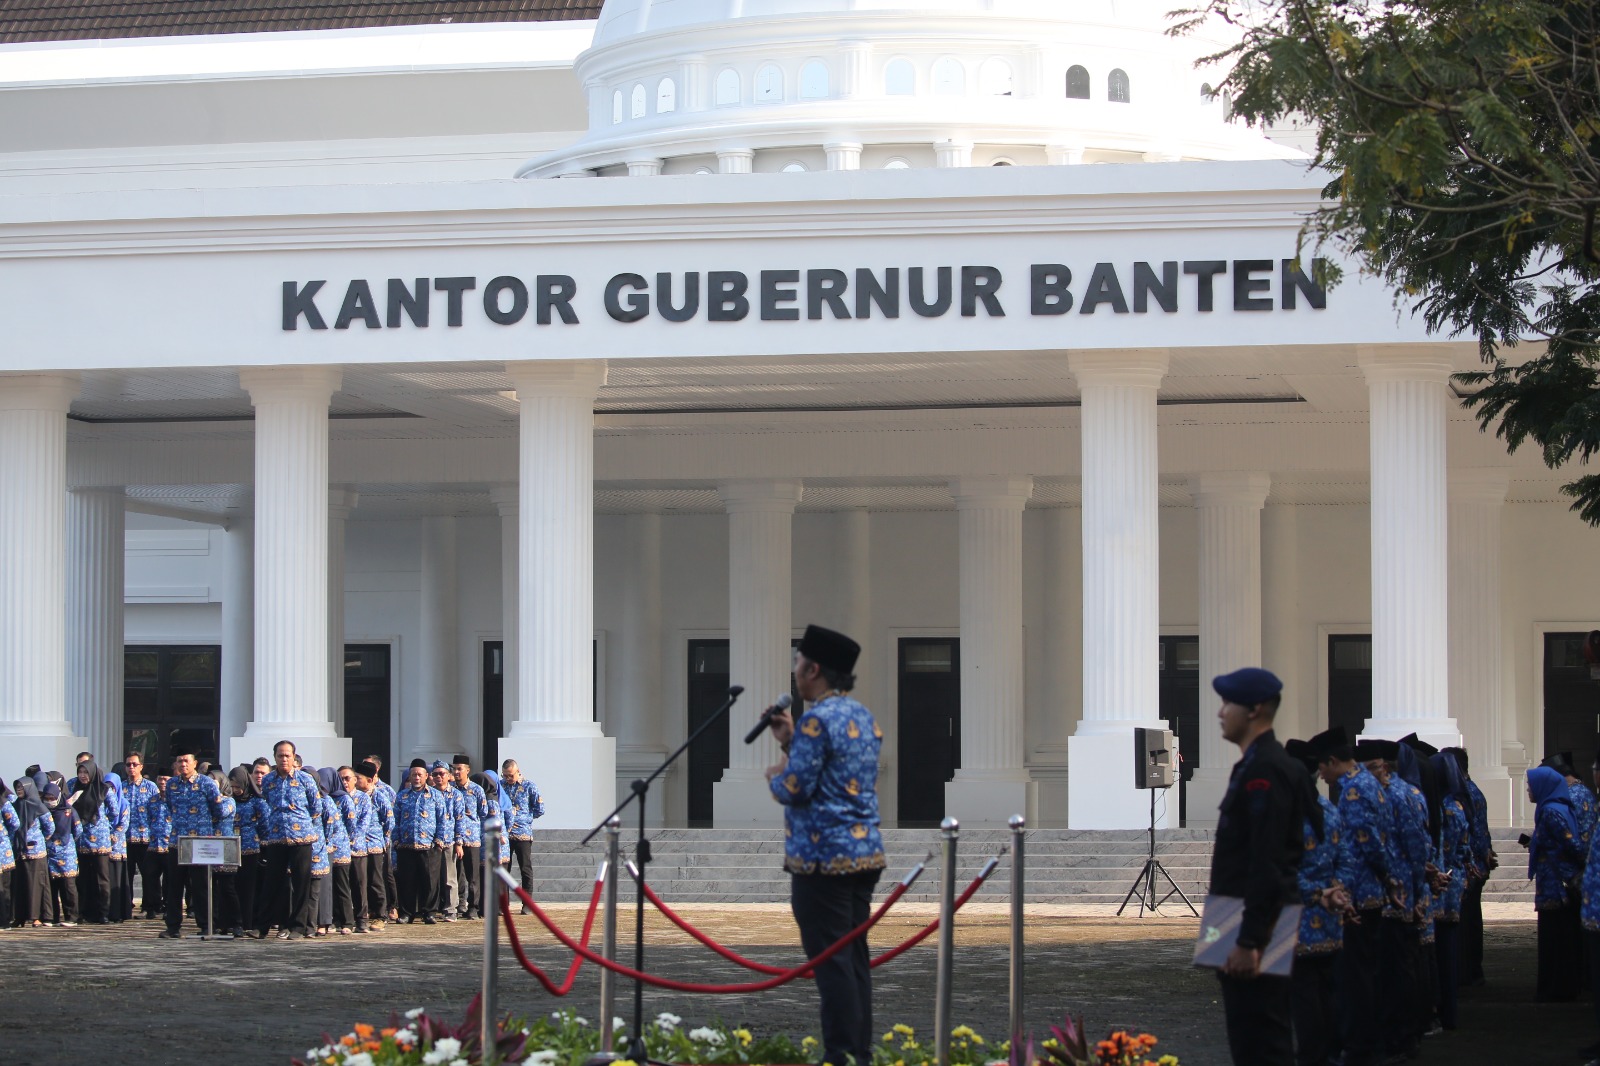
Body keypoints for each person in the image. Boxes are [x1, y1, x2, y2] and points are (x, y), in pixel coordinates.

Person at [764, 624, 884, 1066]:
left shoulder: (817, 719)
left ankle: (840, 1054)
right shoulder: (861, 715)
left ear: (813, 668)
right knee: (853, 961)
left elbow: (796, 787)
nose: (794, 670)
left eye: (798, 661)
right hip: (863, 852)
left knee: (830, 963)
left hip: (822, 859)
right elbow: (836, 774)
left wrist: (776, 775)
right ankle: (858, 1053)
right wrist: (792, 739)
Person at [1203, 667, 1306, 1066]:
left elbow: (1269, 859)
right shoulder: (1255, 765)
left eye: (1227, 703)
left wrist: (1249, 941)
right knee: (1249, 1035)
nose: (1220, 712)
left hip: (1255, 919)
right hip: (1238, 913)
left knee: (1261, 1039)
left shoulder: (1266, 769)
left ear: (1255, 709)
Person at [1284, 738, 1353, 1066]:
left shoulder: (1287, 812)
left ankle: (1312, 1055)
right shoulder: (1329, 809)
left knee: (1304, 996)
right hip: (1330, 914)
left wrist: (1317, 893)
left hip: (1299, 916)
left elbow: (1282, 869)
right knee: (1328, 989)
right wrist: (1339, 891)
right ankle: (1332, 1051)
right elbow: (1345, 856)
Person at [1528, 763, 1586, 1001]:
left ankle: (1557, 988)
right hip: (1552, 883)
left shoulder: (1552, 811)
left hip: (1555, 886)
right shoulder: (1552, 808)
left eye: (1531, 785)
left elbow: (1572, 845)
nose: (1529, 790)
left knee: (1557, 939)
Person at [158, 749, 227, 939]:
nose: (183, 765)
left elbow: (218, 810)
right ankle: (172, 927)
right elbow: (171, 807)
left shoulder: (206, 783)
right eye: (179, 761)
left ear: (195, 763)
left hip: (201, 842)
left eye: (186, 761)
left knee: (201, 886)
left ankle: (206, 926)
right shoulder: (172, 784)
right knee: (174, 886)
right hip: (177, 842)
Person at [257, 740, 322, 941]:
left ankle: (298, 927)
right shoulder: (268, 781)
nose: (284, 759)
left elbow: (316, 808)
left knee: (301, 884)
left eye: (287, 755)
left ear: (294, 758)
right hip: (277, 838)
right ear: (275, 758)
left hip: (301, 838)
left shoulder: (305, 779)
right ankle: (264, 926)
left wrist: (299, 823)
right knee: (272, 883)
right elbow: (267, 802)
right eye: (280, 755)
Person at [1444, 745, 1494, 987]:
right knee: (1471, 921)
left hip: (1468, 865)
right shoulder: (1474, 790)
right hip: (1476, 863)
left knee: (1466, 923)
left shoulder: (1462, 793)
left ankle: (1467, 970)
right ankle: (1472, 970)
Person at [1428, 751, 1472, 1031]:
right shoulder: (1456, 806)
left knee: (1441, 954)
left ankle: (1444, 1011)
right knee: (1448, 951)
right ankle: (1449, 1012)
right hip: (1454, 882)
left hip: (1441, 883)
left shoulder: (1443, 808)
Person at [393, 763, 447, 923]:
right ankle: (406, 913)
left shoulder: (435, 795)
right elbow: (394, 820)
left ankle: (429, 912)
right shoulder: (402, 796)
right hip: (406, 845)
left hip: (429, 845)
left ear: (426, 776)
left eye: (419, 775)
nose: (416, 778)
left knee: (430, 881)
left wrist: (439, 840)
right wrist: (396, 839)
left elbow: (442, 819)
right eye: (413, 775)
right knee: (407, 881)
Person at [501, 759, 544, 912]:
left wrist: (525, 818)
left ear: (518, 772)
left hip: (523, 834)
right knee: (504, 869)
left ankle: (527, 903)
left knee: (525, 868)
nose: (508, 779)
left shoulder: (529, 786)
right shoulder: (501, 786)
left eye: (510, 776)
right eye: (505, 775)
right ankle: (503, 904)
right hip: (505, 834)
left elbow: (539, 808)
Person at [353, 761, 391, 931]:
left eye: (358, 778)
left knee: (376, 881)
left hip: (374, 844)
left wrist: (383, 839)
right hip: (358, 846)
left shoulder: (379, 796)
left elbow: (389, 821)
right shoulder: (353, 796)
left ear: (369, 780)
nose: (355, 781)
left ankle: (381, 915)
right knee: (360, 881)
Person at [122, 753, 161, 920]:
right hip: (126, 839)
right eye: (129, 764)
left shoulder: (151, 786)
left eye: (134, 764)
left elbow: (157, 812)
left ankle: (149, 907)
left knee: (149, 875)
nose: (131, 767)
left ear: (141, 766)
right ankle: (125, 906)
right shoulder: (121, 787)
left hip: (146, 838)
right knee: (126, 875)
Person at [10, 779, 52, 928]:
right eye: (17, 787)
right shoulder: (15, 806)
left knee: (36, 885)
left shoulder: (38, 806)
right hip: (20, 852)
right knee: (20, 885)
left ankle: (36, 917)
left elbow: (49, 827)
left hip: (36, 852)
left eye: (21, 787)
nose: (19, 789)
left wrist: (40, 839)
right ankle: (19, 916)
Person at [451, 755, 489, 919]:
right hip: (452, 838)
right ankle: (458, 905)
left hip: (471, 838)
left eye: (460, 769)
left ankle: (473, 907)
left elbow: (483, 813)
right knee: (455, 875)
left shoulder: (476, 790)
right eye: (454, 768)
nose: (457, 772)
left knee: (472, 876)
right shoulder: (450, 789)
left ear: (468, 770)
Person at [230, 765, 264, 935]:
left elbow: (265, 823)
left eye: (238, 787)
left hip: (251, 849)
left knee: (249, 889)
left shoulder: (256, 801)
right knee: (233, 888)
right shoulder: (229, 801)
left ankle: (249, 921)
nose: (236, 790)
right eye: (232, 787)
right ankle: (234, 921)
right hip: (232, 850)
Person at [366, 754, 400, 921]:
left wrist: (385, 837)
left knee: (385, 874)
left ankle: (391, 906)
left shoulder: (384, 791)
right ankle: (371, 907)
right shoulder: (357, 793)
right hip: (362, 844)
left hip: (381, 841)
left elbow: (389, 818)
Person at [43, 781, 80, 927]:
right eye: (47, 798)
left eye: (52, 798)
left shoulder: (69, 811)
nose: (50, 801)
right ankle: (53, 917)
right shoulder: (44, 812)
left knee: (68, 886)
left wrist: (67, 844)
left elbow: (77, 831)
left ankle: (72, 917)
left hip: (66, 853)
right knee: (52, 887)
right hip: (50, 853)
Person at [428, 761, 461, 921]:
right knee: (432, 877)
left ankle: (451, 910)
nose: (439, 777)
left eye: (442, 774)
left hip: (449, 841)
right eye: (435, 774)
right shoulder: (429, 793)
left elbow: (460, 820)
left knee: (449, 877)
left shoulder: (455, 795)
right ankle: (432, 909)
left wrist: (459, 842)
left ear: (449, 776)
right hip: (431, 842)